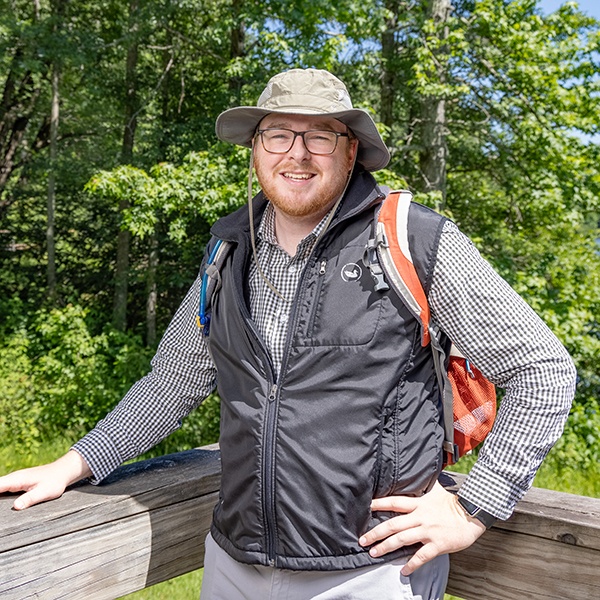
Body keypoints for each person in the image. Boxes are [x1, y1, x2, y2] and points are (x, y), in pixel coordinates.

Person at [0, 69, 576, 600]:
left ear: (351, 152)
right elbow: (174, 378)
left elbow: (543, 370)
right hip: (233, 564)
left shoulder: (412, 240)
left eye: (320, 136)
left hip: (372, 569)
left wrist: (474, 506)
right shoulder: (228, 251)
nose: (296, 154)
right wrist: (75, 464)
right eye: (277, 134)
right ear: (255, 149)